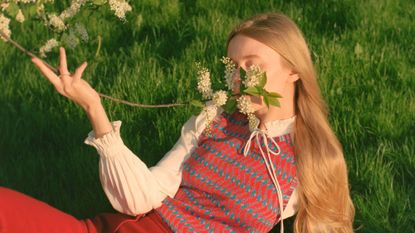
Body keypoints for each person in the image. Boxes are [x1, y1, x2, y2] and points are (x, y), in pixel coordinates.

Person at [0, 12, 355, 233]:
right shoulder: (211, 121)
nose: (238, 75)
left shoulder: (313, 156)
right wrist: (95, 108)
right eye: (233, 66)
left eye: (253, 64)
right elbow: (140, 199)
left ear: (294, 70)